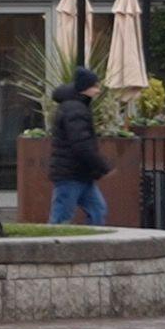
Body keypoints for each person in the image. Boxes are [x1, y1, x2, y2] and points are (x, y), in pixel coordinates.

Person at [46, 69, 111, 226]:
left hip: (79, 174)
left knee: (97, 210)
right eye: (95, 86)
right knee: (62, 217)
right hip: (71, 173)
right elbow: (81, 144)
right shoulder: (75, 109)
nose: (98, 90)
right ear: (85, 88)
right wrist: (101, 166)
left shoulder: (75, 106)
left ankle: (91, 246)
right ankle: (53, 248)